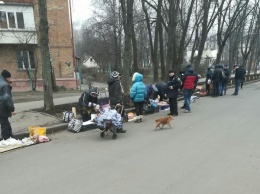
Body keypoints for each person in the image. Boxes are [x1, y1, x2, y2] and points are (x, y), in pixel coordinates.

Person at [0, 70, 16, 140]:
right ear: (6, 77)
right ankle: (6, 138)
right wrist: (12, 109)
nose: (10, 79)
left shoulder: (2, 82)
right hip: (2, 106)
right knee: (4, 123)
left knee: (5, 122)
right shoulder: (5, 85)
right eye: (9, 78)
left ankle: (10, 137)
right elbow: (7, 98)